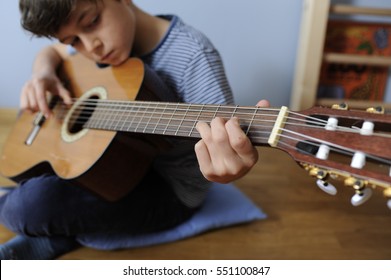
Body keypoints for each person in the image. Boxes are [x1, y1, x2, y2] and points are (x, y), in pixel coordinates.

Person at [0, 0, 269, 259]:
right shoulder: (93, 46)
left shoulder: (194, 58)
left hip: (168, 190)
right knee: (21, 164)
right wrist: (43, 72)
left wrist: (227, 169)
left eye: (93, 21)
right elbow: (54, 53)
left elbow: (224, 144)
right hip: (103, 162)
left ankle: (55, 234)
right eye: (73, 41)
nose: (92, 47)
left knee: (28, 204)